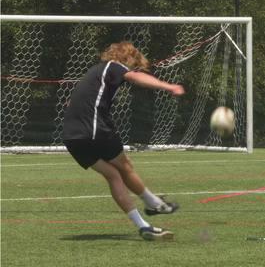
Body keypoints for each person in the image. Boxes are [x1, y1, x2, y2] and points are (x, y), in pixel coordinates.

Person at [63, 41, 185, 241]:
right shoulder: (114, 66)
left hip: (72, 137)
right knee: (125, 166)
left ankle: (143, 225)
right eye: (134, 62)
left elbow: (72, 101)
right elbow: (133, 76)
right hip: (93, 129)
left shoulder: (95, 72)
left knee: (114, 175)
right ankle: (153, 203)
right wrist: (168, 86)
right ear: (126, 58)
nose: (134, 67)